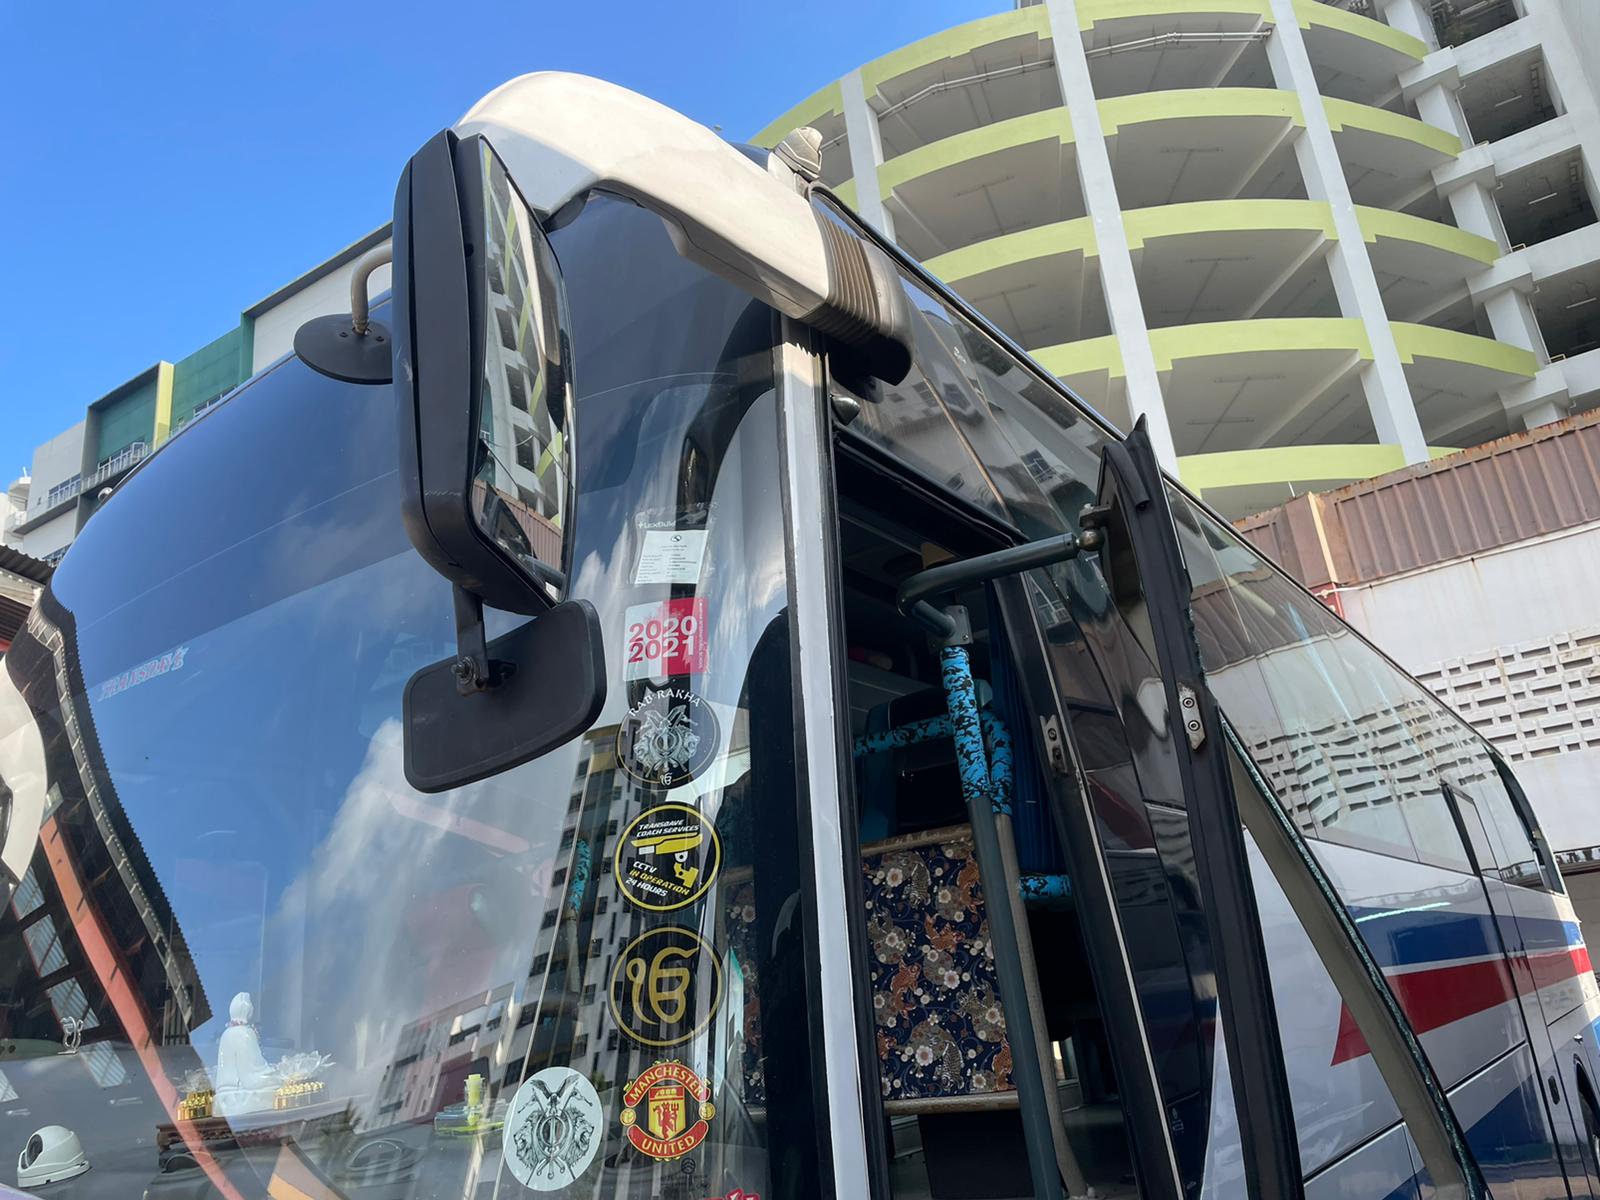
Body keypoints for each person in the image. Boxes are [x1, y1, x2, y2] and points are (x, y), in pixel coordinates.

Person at [213, 993, 276, 1116]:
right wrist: (271, 1072)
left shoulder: (226, 1034)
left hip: (223, 1092)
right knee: (277, 1081)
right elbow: (251, 1070)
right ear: (247, 1010)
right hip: (241, 1090)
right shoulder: (245, 1033)